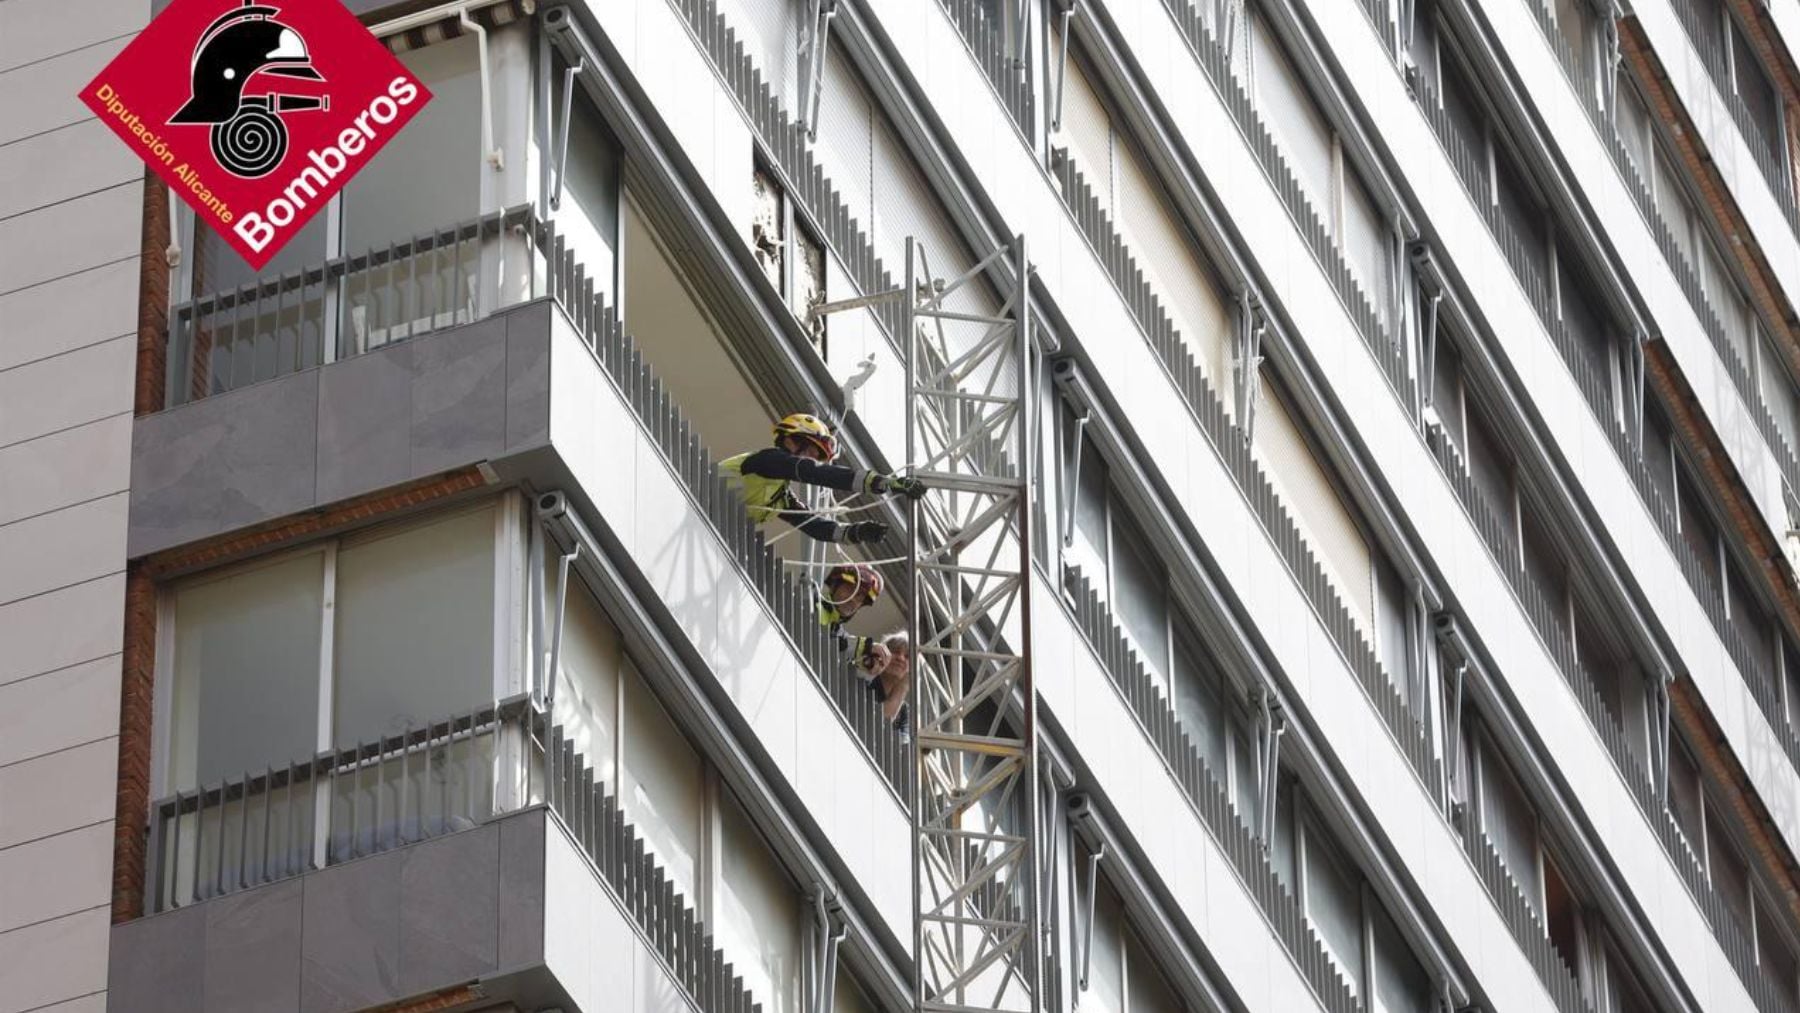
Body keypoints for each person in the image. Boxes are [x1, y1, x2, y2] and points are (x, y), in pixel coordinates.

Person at [719, 413, 926, 545]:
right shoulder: (768, 460)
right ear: (791, 440)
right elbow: (815, 472)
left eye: (816, 456)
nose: (811, 458)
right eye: (809, 450)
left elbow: (813, 525)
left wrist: (856, 532)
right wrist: (882, 483)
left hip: (716, 523)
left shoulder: (780, 495)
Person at [856, 632, 912, 741]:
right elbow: (871, 726)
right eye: (895, 652)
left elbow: (903, 747)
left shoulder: (904, 710)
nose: (901, 658)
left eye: (907, 656)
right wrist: (902, 688)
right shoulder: (864, 683)